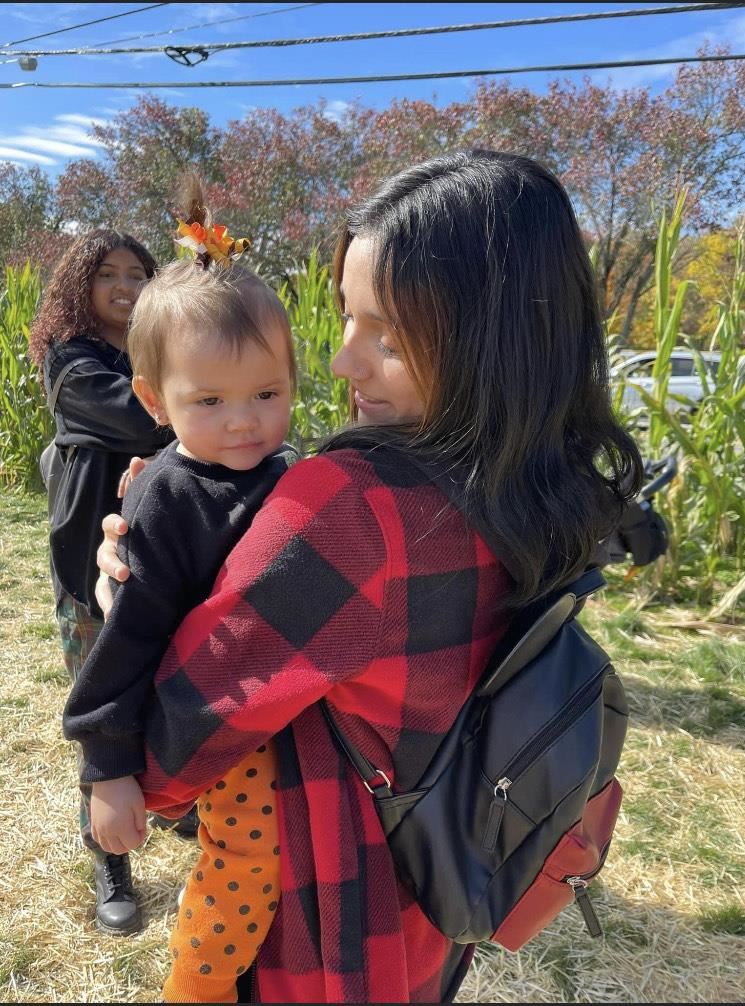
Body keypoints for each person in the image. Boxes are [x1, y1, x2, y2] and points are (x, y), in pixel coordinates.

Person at [95, 150, 643, 1002]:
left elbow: (174, 751)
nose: (346, 363)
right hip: (441, 889)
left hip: (321, 920)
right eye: (348, 320)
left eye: (386, 335)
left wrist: (135, 595)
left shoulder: (352, 508)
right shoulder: (549, 484)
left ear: (489, 337)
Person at [62, 182, 297, 1003]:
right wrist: (108, 768)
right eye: (211, 402)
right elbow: (127, 636)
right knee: (242, 869)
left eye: (267, 394)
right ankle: (199, 985)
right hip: (229, 731)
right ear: (157, 403)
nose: (244, 422)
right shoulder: (167, 495)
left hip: (299, 723)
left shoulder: (292, 476)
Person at [28, 229, 198, 939]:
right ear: (81, 287)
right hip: (90, 567)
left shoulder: (155, 354)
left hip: (162, 557)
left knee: (169, 689)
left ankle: (175, 804)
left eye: (139, 273)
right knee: (105, 706)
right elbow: (143, 416)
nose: (126, 287)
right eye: (108, 275)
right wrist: (201, 404)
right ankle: (109, 858)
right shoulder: (72, 364)